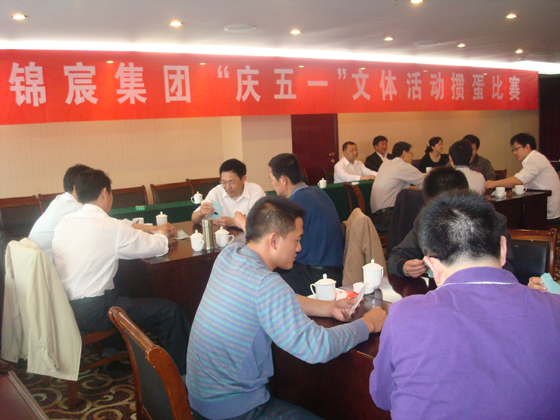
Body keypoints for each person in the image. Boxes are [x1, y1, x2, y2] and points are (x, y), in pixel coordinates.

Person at [187, 196, 386, 420]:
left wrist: (328, 308)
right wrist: (367, 324)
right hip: (233, 410)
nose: (299, 248)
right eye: (297, 239)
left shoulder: (230, 255)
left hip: (201, 399)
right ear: (274, 240)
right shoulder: (266, 284)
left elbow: (277, 301)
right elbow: (318, 347)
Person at [371, 191, 560, 419]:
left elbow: (382, 396)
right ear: (502, 249)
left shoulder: (403, 315)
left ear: (432, 266)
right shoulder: (554, 309)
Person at [52, 168, 190, 375]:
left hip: (66, 306)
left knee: (124, 289)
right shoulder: (108, 226)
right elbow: (156, 247)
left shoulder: (65, 222)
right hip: (96, 311)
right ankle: (181, 376)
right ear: (104, 193)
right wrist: (162, 234)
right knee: (170, 312)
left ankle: (113, 350)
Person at [388, 166, 514, 277]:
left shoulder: (492, 222)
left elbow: (507, 269)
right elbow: (394, 258)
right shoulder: (426, 222)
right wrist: (404, 267)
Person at [268, 153, 344, 295]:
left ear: (283, 180)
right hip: (335, 272)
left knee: (267, 277)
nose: (271, 184)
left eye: (271, 179)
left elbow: (279, 244)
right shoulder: (319, 193)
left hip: (315, 278)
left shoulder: (295, 203)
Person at [486, 133, 560, 223]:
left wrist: (494, 183)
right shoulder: (534, 159)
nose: (514, 153)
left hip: (547, 211)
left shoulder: (536, 159)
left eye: (516, 149)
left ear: (527, 146)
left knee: (513, 219)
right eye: (513, 150)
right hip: (541, 206)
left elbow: (519, 180)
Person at [29, 164, 91, 260]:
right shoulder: (76, 208)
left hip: (33, 262)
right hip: (46, 265)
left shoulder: (59, 200)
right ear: (77, 187)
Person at [191, 158, 265, 229]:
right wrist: (200, 213)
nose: (227, 187)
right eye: (223, 182)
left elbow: (263, 223)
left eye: (231, 182)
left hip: (250, 236)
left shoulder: (255, 192)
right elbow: (194, 219)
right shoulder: (216, 192)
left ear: (243, 179)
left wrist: (233, 222)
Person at [370, 142, 424, 234]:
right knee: (422, 214)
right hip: (389, 218)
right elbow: (427, 183)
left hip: (376, 217)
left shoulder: (385, 164)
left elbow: (398, 188)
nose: (412, 157)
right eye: (411, 153)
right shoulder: (403, 166)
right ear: (404, 153)